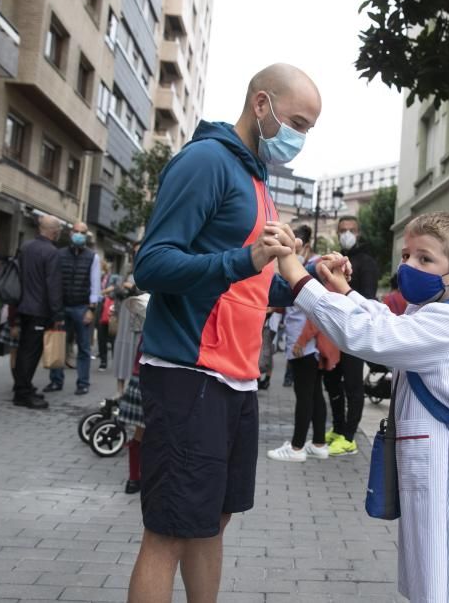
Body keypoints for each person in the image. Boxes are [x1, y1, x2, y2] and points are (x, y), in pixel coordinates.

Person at [127, 63, 322, 603]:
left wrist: (307, 277)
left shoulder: (256, 179)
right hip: (190, 374)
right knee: (167, 533)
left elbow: (250, 284)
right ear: (261, 105)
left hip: (236, 379)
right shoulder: (206, 161)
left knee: (213, 520)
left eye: (309, 129)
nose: (300, 137)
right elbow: (153, 264)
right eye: (297, 122)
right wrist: (244, 258)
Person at [276, 211, 449, 601]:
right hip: (442, 470)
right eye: (406, 256)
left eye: (425, 259)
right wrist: (343, 291)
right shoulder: (435, 314)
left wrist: (297, 275)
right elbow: (385, 320)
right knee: (436, 573)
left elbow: (372, 334)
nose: (409, 266)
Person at [267, 226, 330, 462]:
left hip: (304, 343)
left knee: (304, 394)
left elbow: (317, 308)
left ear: (304, 245)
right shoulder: (302, 267)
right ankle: (318, 443)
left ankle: (296, 447)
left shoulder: (311, 267)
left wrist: (302, 340)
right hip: (303, 342)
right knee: (313, 394)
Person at [322, 216, 380, 456]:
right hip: (333, 332)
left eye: (351, 230)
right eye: (342, 230)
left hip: (354, 333)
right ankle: (337, 428)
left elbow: (367, 298)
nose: (346, 233)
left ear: (359, 233)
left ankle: (349, 436)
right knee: (332, 381)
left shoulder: (367, 262)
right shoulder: (334, 258)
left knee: (353, 386)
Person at [12, 215, 64, 410]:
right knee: (31, 353)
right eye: (58, 229)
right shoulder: (51, 252)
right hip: (39, 309)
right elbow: (54, 286)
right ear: (53, 231)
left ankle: (23, 387)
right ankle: (22, 393)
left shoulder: (26, 247)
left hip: (23, 306)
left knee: (24, 350)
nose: (59, 232)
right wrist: (57, 314)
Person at [43, 222, 100, 396]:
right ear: (70, 232)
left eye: (82, 232)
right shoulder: (58, 255)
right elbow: (54, 282)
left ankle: (83, 383)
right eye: (76, 231)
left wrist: (91, 309)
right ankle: (55, 380)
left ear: (86, 236)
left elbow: (95, 285)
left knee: (83, 347)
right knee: (59, 343)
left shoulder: (93, 257)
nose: (79, 235)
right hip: (62, 307)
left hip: (82, 307)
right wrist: (54, 307)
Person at [118, 294, 150, 495]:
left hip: (143, 371)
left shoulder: (149, 307)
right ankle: (138, 477)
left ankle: (134, 478)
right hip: (156, 376)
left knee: (141, 430)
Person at [112, 243, 143, 398]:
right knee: (122, 350)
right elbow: (116, 289)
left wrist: (132, 288)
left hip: (139, 317)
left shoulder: (149, 270)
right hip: (125, 315)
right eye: (134, 252)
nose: (136, 255)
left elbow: (147, 292)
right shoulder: (126, 270)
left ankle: (133, 390)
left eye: (140, 252)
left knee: (135, 352)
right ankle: (119, 389)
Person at [97, 258, 119, 371]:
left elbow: (117, 289)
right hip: (100, 308)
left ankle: (115, 361)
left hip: (111, 307)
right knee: (101, 337)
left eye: (101, 265)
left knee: (112, 335)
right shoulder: (98, 277)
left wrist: (104, 292)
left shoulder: (114, 277)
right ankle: (103, 361)